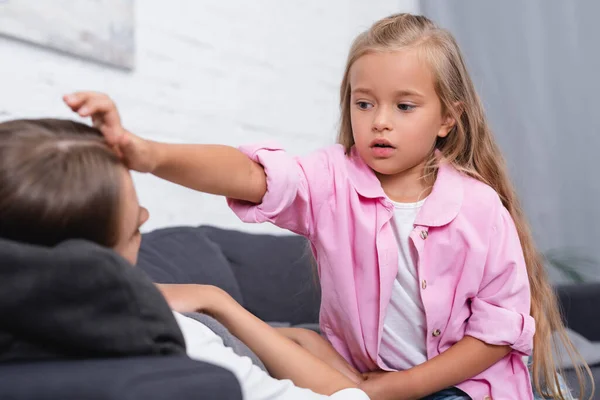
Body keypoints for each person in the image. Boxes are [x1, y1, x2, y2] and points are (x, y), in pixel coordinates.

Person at [63, 12, 593, 400]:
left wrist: (395, 390)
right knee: (292, 338)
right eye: (365, 104)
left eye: (404, 106)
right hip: (361, 373)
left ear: (447, 119)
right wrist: (146, 153)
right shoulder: (331, 179)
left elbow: (494, 339)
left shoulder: (480, 209)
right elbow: (252, 174)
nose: (380, 120)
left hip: (463, 388)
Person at [0, 118, 370, 400]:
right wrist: (216, 299)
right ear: (90, 261)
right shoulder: (178, 342)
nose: (145, 215)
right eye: (133, 230)